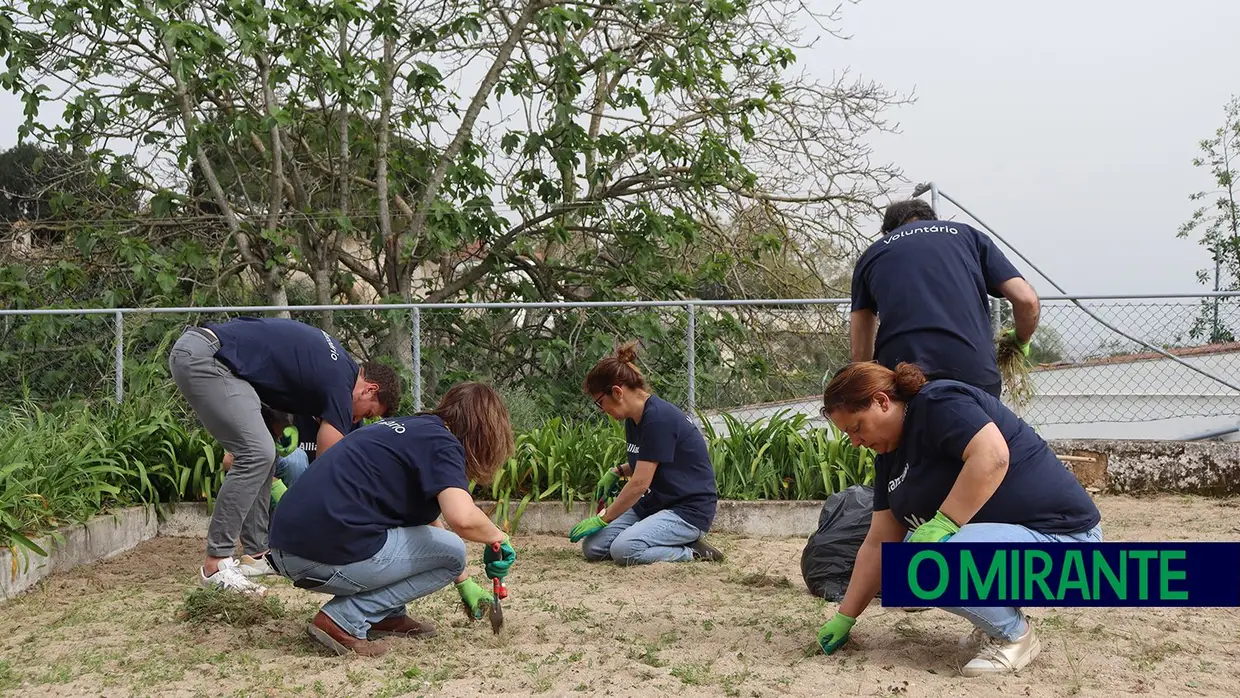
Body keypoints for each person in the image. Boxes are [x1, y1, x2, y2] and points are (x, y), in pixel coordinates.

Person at [813, 361, 1102, 676]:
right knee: (908, 552)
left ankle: (1014, 637)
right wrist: (846, 617)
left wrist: (946, 522)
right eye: (848, 435)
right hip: (1020, 543)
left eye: (857, 427)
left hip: (1068, 544)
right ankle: (992, 620)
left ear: (882, 402)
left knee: (924, 558)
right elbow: (879, 542)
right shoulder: (889, 458)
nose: (855, 441)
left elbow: (993, 455)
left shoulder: (937, 402)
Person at [266, 382, 518, 657]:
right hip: (318, 552)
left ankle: (386, 615)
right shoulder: (443, 443)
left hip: (287, 545)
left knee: (443, 549)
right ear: (484, 431)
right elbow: (462, 518)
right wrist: (498, 536)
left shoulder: (410, 430)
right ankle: (343, 620)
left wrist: (464, 582)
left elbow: (424, 529)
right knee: (454, 553)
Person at [168, 316, 402, 595]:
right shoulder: (340, 383)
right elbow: (330, 462)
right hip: (207, 357)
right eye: (367, 413)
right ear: (370, 390)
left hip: (210, 353)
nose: (357, 418)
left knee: (261, 454)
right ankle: (216, 563)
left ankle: (255, 554)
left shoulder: (338, 367)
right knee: (257, 453)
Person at [849, 198, 1041, 398]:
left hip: (905, 380)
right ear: (934, 221)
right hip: (975, 373)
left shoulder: (872, 255)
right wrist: (1019, 341)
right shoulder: (969, 236)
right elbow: (1027, 300)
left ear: (887, 233)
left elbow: (860, 353)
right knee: (979, 427)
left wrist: (866, 392)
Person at [569, 340, 724, 565]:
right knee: (594, 547)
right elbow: (651, 460)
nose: (603, 411)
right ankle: (660, 538)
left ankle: (693, 552)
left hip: (686, 511)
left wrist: (605, 518)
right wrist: (618, 471)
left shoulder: (659, 418)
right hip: (656, 504)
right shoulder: (634, 418)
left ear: (617, 392)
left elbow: (640, 482)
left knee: (625, 550)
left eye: (601, 403)